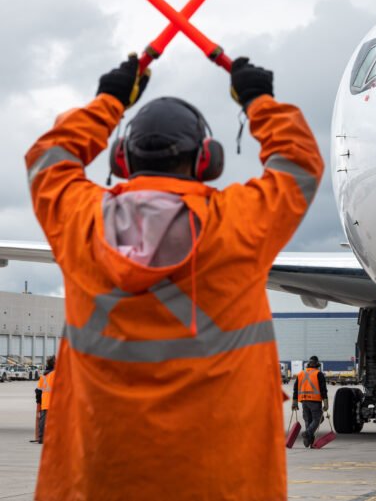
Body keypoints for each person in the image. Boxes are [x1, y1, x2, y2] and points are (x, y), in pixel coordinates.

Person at [26, 53, 323, 500]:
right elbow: (299, 163)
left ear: (122, 159)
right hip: (220, 484)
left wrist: (109, 100)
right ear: (208, 160)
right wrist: (258, 99)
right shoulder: (238, 227)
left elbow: (47, 159)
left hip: (99, 482)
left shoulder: (80, 225)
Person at [292, 355, 330, 447]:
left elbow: (295, 389)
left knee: (308, 419)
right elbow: (323, 389)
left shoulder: (301, 373)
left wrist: (294, 402)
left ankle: (309, 440)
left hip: (304, 400)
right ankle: (307, 433)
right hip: (314, 400)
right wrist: (325, 402)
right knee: (318, 419)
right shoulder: (318, 374)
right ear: (317, 365)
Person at [34, 355, 56, 443]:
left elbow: (38, 391)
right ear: (54, 363)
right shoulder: (56, 373)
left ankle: (41, 438)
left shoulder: (43, 376)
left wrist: (38, 402)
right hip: (55, 403)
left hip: (45, 403)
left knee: (43, 422)